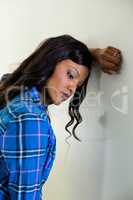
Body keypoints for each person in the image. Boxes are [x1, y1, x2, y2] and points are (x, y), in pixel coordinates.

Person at [0, 34, 122, 199]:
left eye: (78, 84)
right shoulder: (31, 120)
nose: (72, 88)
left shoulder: (11, 91)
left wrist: (87, 54)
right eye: (70, 75)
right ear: (50, 61)